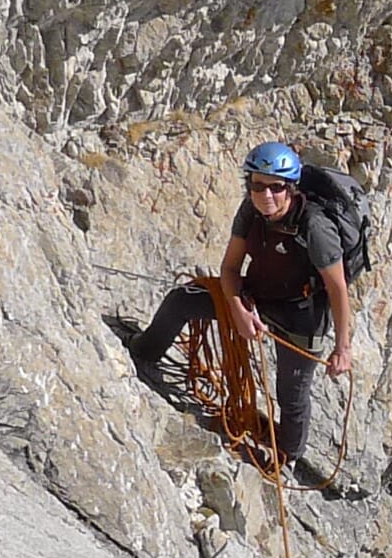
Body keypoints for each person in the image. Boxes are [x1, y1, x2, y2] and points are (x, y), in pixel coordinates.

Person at [129, 140, 359, 480]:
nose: (266, 195)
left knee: (291, 394)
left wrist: (342, 348)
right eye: (258, 186)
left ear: (291, 189)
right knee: (181, 300)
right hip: (257, 294)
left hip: (302, 313)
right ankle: (142, 352)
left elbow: (338, 289)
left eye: (276, 188)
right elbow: (230, 270)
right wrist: (237, 308)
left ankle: (287, 457)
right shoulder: (250, 211)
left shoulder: (315, 228)